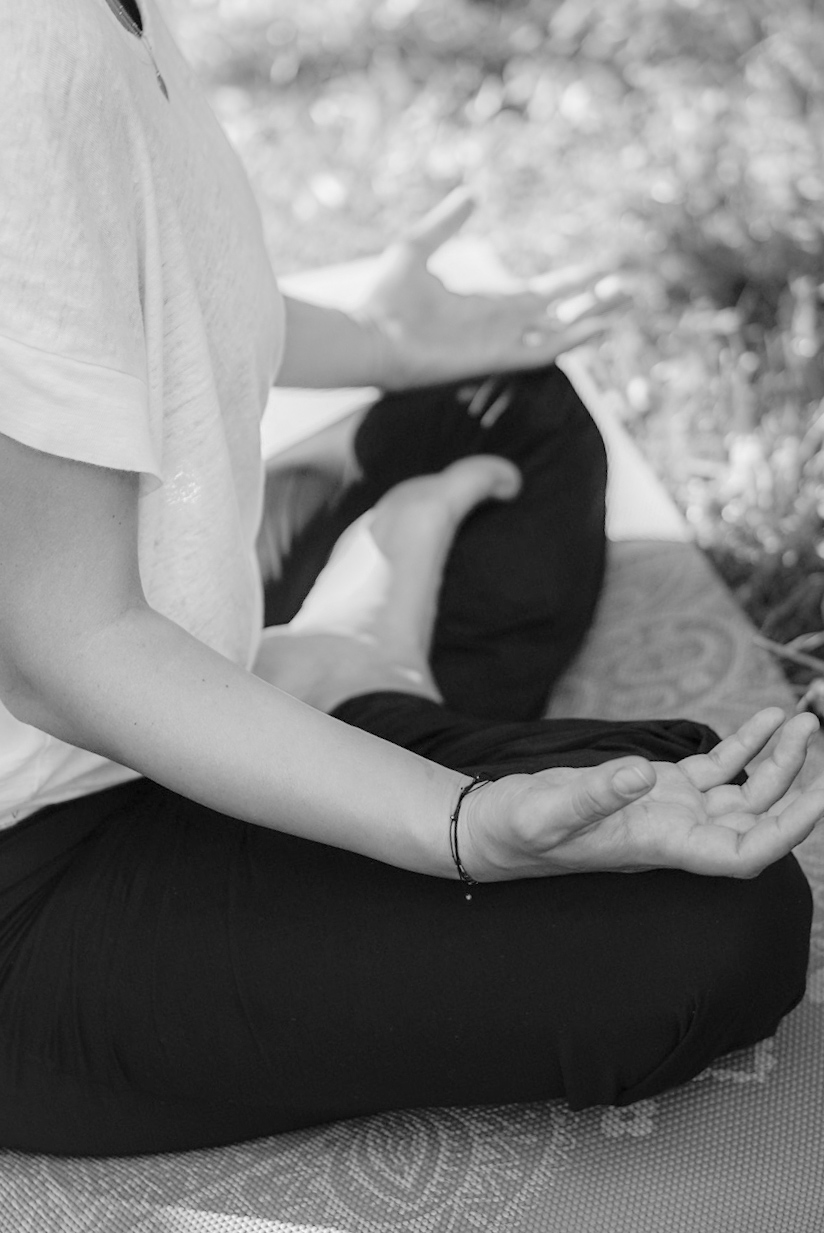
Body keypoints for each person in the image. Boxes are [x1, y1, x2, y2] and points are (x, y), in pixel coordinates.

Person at [0, 0, 820, 1157]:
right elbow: (59, 651)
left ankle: (328, 672)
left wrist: (385, 342)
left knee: (501, 409)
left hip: (116, 597)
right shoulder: (27, 54)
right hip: (43, 845)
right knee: (707, 904)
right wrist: (460, 825)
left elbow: (92, 310)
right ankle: (353, 669)